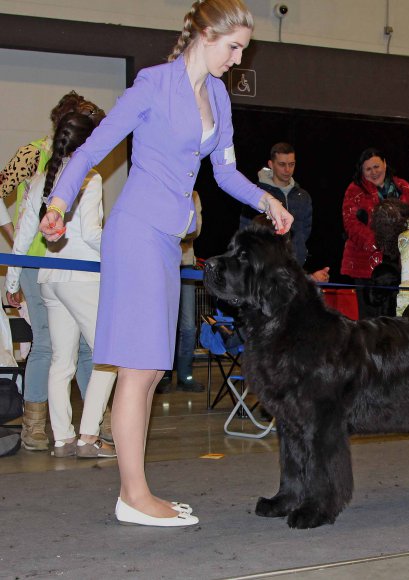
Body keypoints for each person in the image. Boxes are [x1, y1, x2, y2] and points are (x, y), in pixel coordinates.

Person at [39, 0, 293, 527]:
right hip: (136, 230)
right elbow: (90, 151)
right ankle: (133, 496)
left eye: (243, 49)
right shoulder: (153, 85)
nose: (238, 59)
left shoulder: (218, 96)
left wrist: (266, 199)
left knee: (151, 369)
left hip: (168, 239)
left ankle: (136, 492)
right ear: (205, 34)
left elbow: (224, 172)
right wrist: (58, 204)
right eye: (234, 47)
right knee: (139, 368)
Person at [7, 112, 117, 458]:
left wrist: (12, 280)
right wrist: (123, 252)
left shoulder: (41, 179)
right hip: (82, 279)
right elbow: (92, 234)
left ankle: (63, 438)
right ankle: (89, 436)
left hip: (49, 278)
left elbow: (23, 236)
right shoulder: (89, 177)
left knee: (61, 360)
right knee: (108, 358)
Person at [341, 147, 409, 318]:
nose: (374, 172)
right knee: (369, 318)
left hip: (399, 262)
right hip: (365, 264)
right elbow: (351, 225)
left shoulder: (403, 187)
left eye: (376, 166)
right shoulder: (354, 190)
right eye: (368, 169)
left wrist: (405, 242)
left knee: (397, 315)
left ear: (385, 164)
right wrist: (378, 243)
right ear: (361, 171)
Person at [241, 142, 329, 282]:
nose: (287, 169)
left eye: (291, 164)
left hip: (295, 270)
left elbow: (304, 234)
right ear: (271, 164)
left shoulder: (303, 197)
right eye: (282, 164)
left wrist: (308, 276)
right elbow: (245, 235)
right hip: (263, 273)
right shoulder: (256, 195)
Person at [157, 191, 204, 393]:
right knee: (165, 323)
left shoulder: (193, 195)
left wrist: (173, 230)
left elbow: (196, 230)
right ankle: (163, 375)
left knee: (188, 326)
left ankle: (185, 376)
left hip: (186, 265)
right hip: (163, 264)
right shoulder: (161, 190)